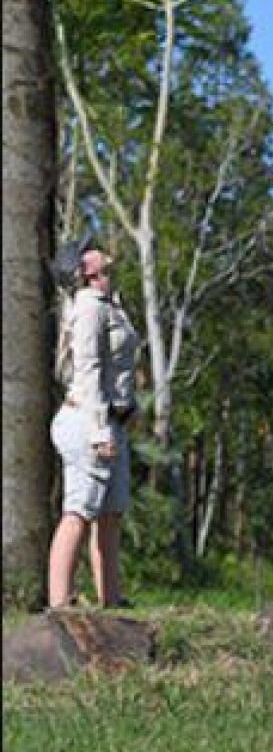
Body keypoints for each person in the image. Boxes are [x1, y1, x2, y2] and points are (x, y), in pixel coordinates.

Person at [46, 248, 141, 609]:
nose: (98, 249)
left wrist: (128, 408)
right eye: (89, 250)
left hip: (109, 422)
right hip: (87, 421)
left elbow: (117, 369)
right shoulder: (88, 306)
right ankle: (59, 604)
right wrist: (100, 430)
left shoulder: (108, 302)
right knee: (79, 512)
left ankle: (111, 601)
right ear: (84, 271)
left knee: (110, 513)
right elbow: (89, 372)